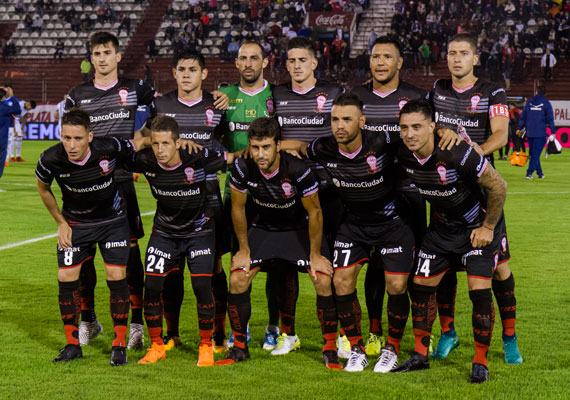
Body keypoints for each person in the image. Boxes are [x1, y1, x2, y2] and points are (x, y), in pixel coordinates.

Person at [394, 99, 508, 384]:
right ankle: (420, 356)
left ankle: (480, 361)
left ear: (432, 127)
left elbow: (499, 185)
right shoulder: (402, 153)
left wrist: (488, 227)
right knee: (420, 287)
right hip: (442, 228)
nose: (410, 134)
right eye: (404, 127)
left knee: (479, 291)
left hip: (475, 228)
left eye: (417, 127)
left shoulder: (458, 153)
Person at [428, 33, 522, 365]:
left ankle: (509, 337)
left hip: (483, 189)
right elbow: (426, 127)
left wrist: (473, 155)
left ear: (475, 58)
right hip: (445, 188)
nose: (456, 59)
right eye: (452, 53)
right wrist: (441, 132)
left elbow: (501, 133)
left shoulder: (491, 91)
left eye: (463, 53)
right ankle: (448, 333)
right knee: (444, 267)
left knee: (499, 269)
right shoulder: (437, 90)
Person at [216, 117, 339, 369]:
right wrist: (243, 249)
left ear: (278, 145)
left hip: (297, 228)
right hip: (264, 227)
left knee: (323, 279)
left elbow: (315, 212)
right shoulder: (242, 166)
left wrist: (315, 255)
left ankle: (329, 348)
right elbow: (238, 208)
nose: (260, 154)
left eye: (266, 147)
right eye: (255, 147)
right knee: (238, 278)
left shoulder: (298, 170)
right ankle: (240, 349)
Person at [64, 31, 159, 350]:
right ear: (90, 59)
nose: (102, 58)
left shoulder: (136, 88)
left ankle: (135, 324)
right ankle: (89, 319)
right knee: (84, 258)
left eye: (107, 52)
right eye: (96, 53)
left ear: (118, 56)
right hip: (85, 186)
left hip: (120, 181)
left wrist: (143, 137)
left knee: (130, 257)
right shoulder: (77, 94)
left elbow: (160, 121)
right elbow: (66, 136)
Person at [35, 108, 151, 365]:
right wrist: (61, 223)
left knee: (116, 275)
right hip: (76, 224)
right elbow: (43, 188)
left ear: (90, 136)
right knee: (65, 276)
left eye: (77, 138)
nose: (71, 145)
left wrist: (163, 139)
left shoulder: (109, 147)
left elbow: (139, 143)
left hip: (112, 222)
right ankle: (72, 344)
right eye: (66, 138)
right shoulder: (50, 158)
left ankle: (119, 344)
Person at [350, 36, 429, 361]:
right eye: (375, 56)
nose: (380, 62)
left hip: (409, 193)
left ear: (399, 62)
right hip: (366, 196)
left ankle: (420, 335)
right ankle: (374, 330)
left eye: (387, 57)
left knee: (411, 268)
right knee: (373, 264)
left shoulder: (416, 96)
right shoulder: (356, 97)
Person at [132, 116, 234, 366]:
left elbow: (233, 158)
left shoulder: (198, 157)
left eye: (166, 143)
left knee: (202, 288)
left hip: (199, 232)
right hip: (164, 233)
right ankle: (157, 346)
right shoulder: (145, 161)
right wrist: (144, 140)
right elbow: (123, 147)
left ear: (178, 143)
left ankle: (206, 345)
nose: (160, 150)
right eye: (156, 144)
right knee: (153, 287)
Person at [148, 50, 228, 353]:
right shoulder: (161, 104)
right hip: (174, 196)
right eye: (181, 69)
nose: (186, 74)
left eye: (192, 69)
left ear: (203, 74)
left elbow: (226, 145)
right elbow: (148, 138)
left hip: (208, 196)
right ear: (173, 72)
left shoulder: (217, 104)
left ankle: (218, 333)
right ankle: (172, 333)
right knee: (173, 267)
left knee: (213, 267)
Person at [273, 37, 343, 355]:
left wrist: (300, 146)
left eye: (303, 60)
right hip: (289, 194)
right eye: (291, 60)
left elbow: (339, 139)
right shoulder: (278, 95)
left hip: (329, 191)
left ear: (314, 63)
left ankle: (341, 333)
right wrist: (295, 146)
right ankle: (289, 334)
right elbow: (271, 141)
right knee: (286, 266)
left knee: (333, 267)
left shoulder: (335, 94)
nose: (296, 65)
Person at [218, 41, 279, 352]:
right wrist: (228, 157)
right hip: (235, 191)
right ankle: (237, 330)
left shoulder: (276, 96)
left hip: (273, 193)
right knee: (236, 263)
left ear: (265, 62)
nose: (249, 63)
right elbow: (210, 138)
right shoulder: (223, 96)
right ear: (237, 63)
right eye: (243, 57)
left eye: (255, 57)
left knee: (277, 265)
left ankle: (274, 326)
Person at [518, 85, 555, 179]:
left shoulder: (529, 102)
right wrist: (553, 131)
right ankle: (529, 173)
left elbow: (523, 116)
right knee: (535, 154)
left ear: (536, 92)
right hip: (540, 132)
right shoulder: (546, 103)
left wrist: (519, 128)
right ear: (545, 93)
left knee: (534, 153)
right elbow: (550, 118)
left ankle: (540, 173)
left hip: (530, 132)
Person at [0, 88, 21, 179]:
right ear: (3, 97)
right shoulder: (5, 108)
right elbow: (18, 110)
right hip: (1, 138)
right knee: (1, 160)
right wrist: (13, 97)